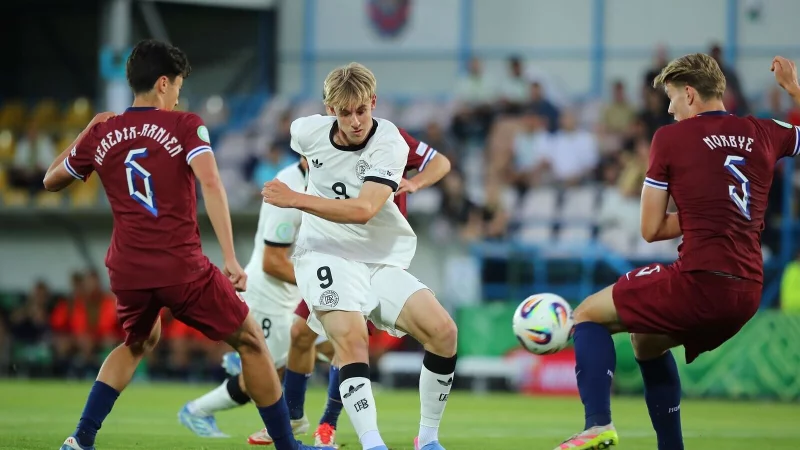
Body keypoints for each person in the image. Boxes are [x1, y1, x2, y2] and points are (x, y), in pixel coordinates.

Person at [42, 39, 331, 450]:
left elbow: (50, 180)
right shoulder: (183, 125)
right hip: (181, 268)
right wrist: (231, 259)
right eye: (177, 85)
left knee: (137, 342)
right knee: (251, 341)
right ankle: (289, 445)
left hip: (127, 269)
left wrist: (89, 130)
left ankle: (81, 438)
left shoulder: (104, 132)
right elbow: (211, 183)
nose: (179, 95)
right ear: (163, 83)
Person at [554, 54, 800, 450]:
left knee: (587, 316)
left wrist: (702, 213)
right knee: (646, 343)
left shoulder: (669, 139)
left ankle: (597, 425)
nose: (668, 109)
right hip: (747, 291)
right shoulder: (763, 131)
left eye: (671, 98)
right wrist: (792, 89)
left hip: (701, 280)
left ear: (689, 93)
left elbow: (650, 229)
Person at [262, 62, 458, 450]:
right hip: (323, 254)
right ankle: (370, 443)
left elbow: (363, 210)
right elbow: (312, 153)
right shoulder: (305, 130)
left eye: (361, 111)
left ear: (373, 102)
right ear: (329, 109)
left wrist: (297, 199)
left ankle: (429, 439)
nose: (355, 121)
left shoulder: (390, 143)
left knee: (444, 332)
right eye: (344, 112)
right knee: (350, 342)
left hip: (377, 257)